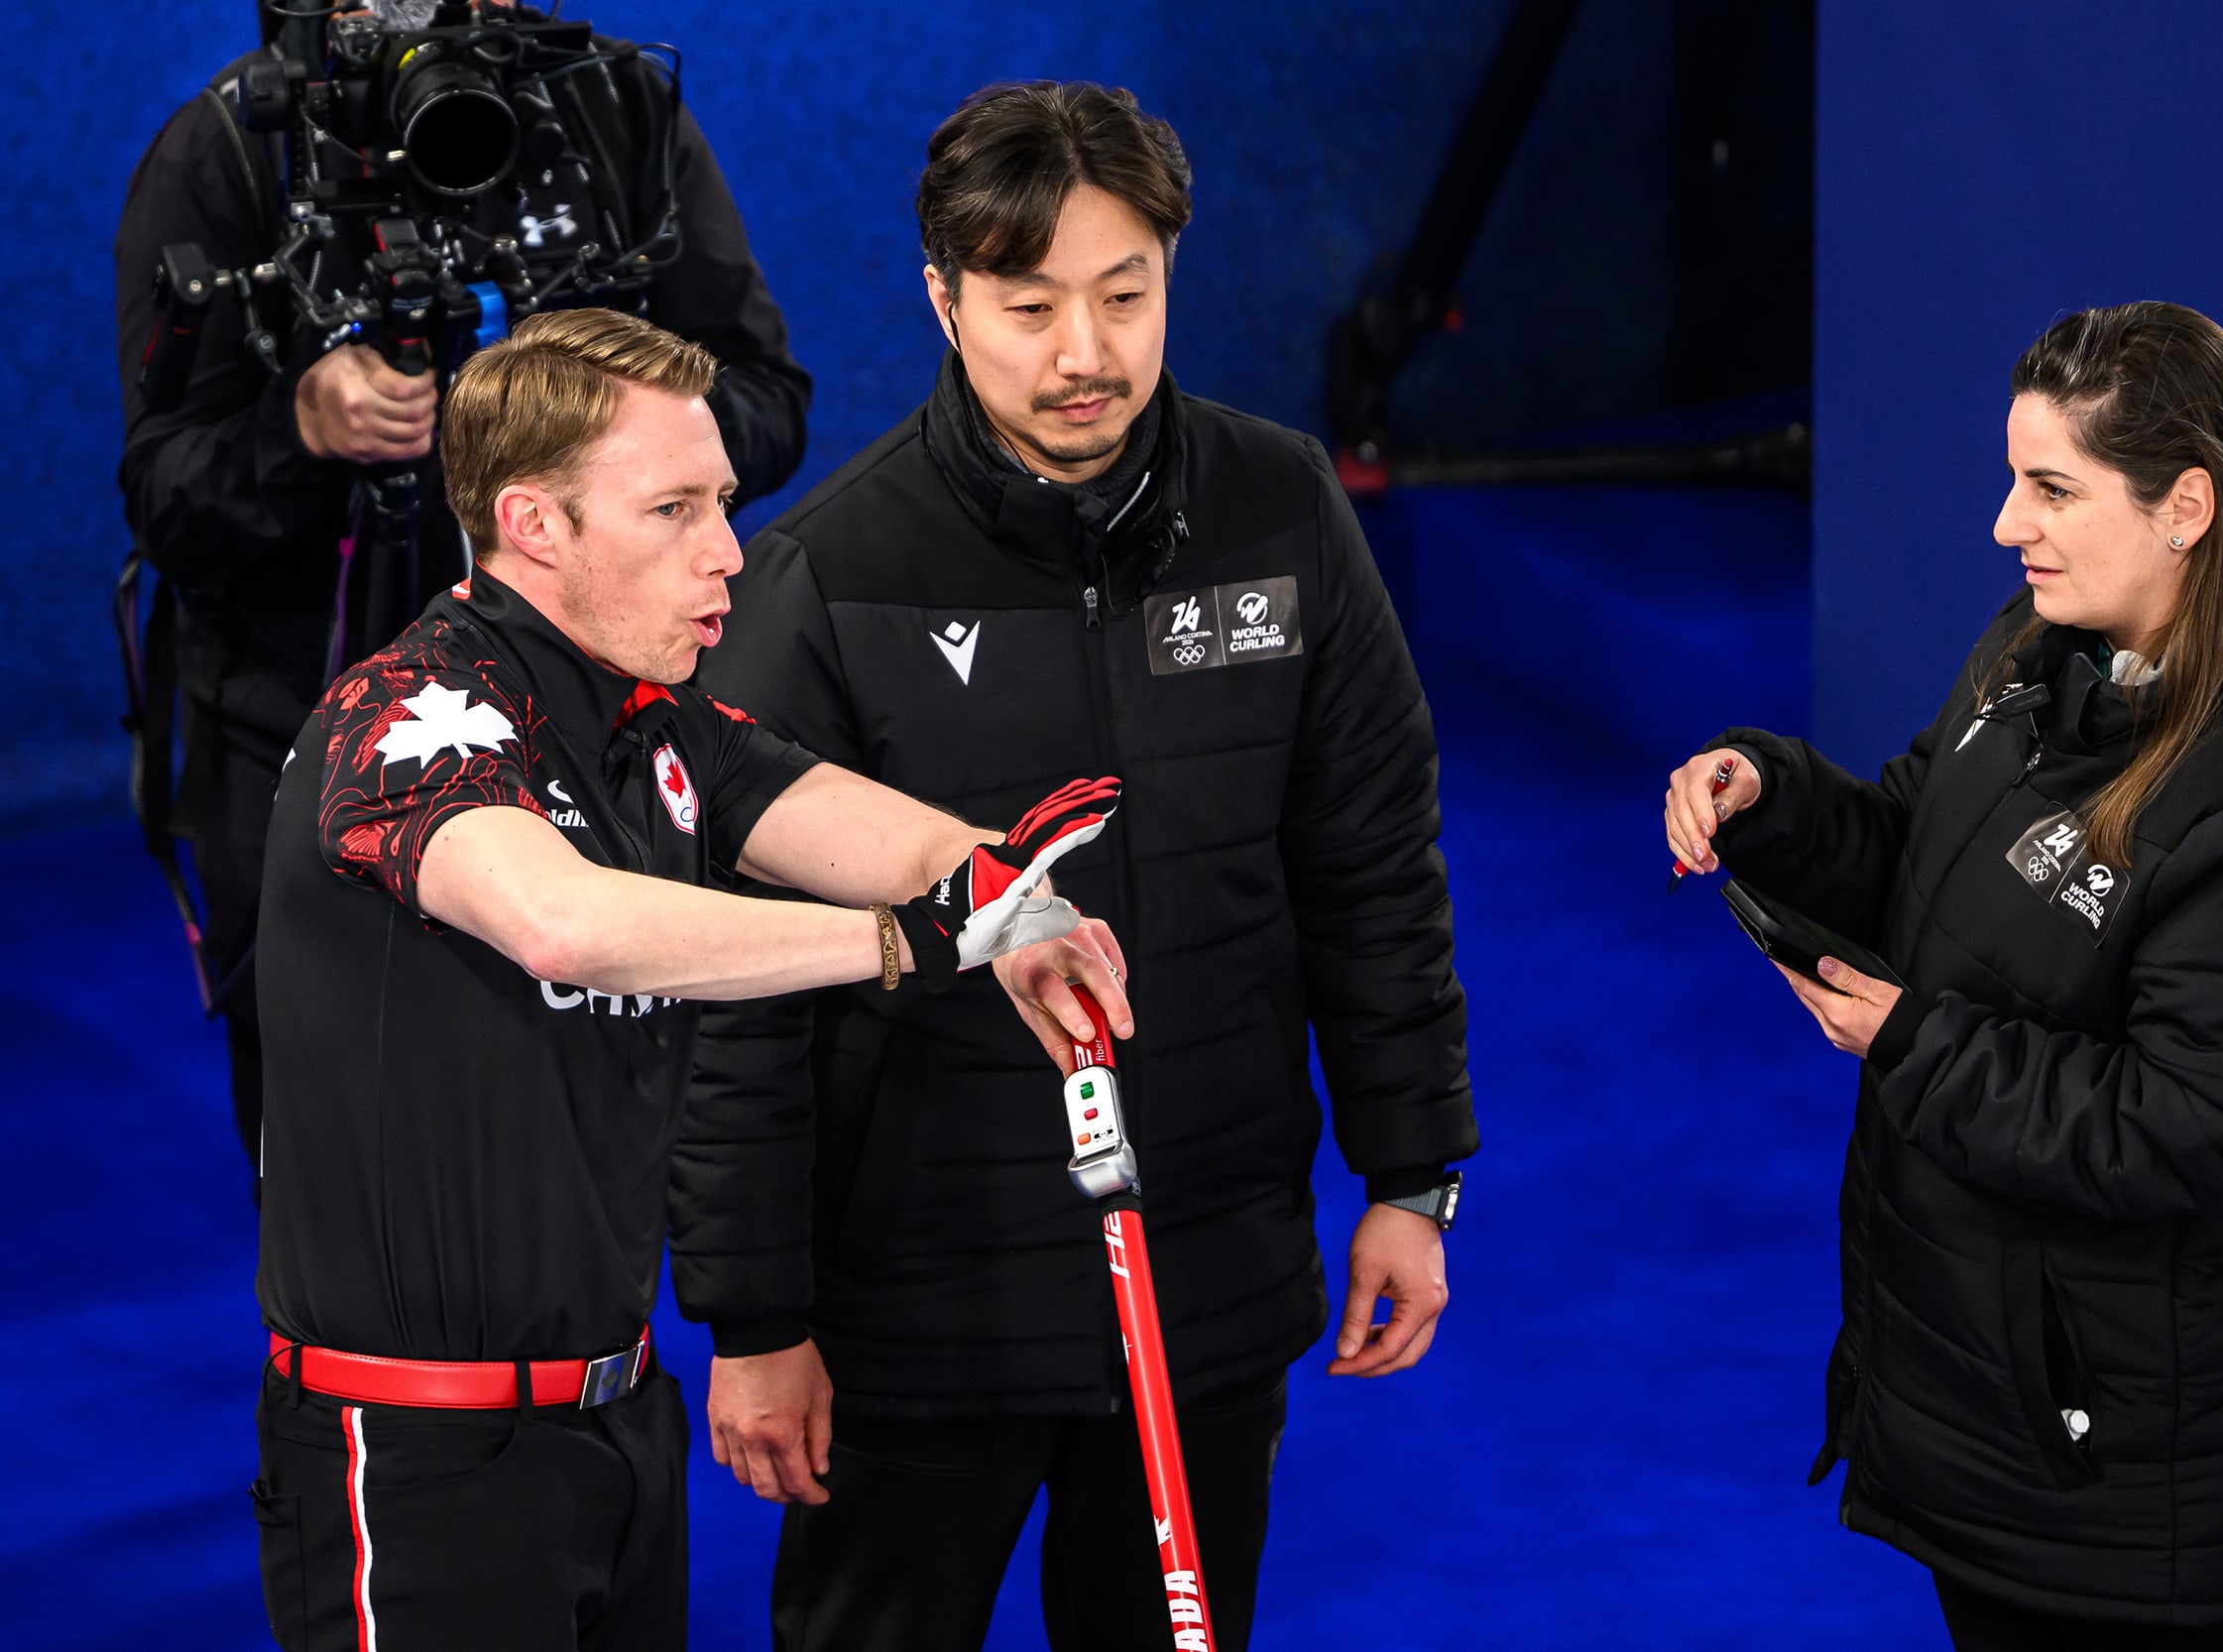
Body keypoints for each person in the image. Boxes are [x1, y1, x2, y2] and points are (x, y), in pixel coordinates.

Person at [670, 80, 1479, 1652]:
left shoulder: (1285, 509)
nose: (1084, 353)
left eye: (1126, 295)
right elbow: (739, 984)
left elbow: (1373, 867)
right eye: (1028, 305)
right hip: (917, 1305)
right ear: (942, 298)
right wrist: (757, 1318)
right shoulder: (831, 573)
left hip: (1204, 1272)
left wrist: (1410, 1176)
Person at [249, 307, 1125, 1652]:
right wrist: (909, 939)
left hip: (617, 1423)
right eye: (671, 509)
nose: (727, 550)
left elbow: (868, 828)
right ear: (537, 525)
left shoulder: (653, 721)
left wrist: (1017, 900)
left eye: (721, 501)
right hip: (415, 1455)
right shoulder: (407, 719)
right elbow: (562, 921)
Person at [1667, 302, 2223, 1650]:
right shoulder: (2036, 650)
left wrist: (1912, 1042)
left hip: (2128, 1499)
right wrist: (1769, 795)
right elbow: (1919, 844)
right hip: (1998, 1438)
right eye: (2015, 480)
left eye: (2052, 488)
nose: (2010, 523)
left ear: (2186, 506)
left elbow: (2192, 1125)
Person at [114, 0, 811, 1181]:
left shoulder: (613, 109)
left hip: (595, 741)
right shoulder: (235, 148)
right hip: (300, 735)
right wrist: (302, 429)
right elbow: (165, 495)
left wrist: (597, 429)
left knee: (601, 1154)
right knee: (332, 1173)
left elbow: (765, 401)